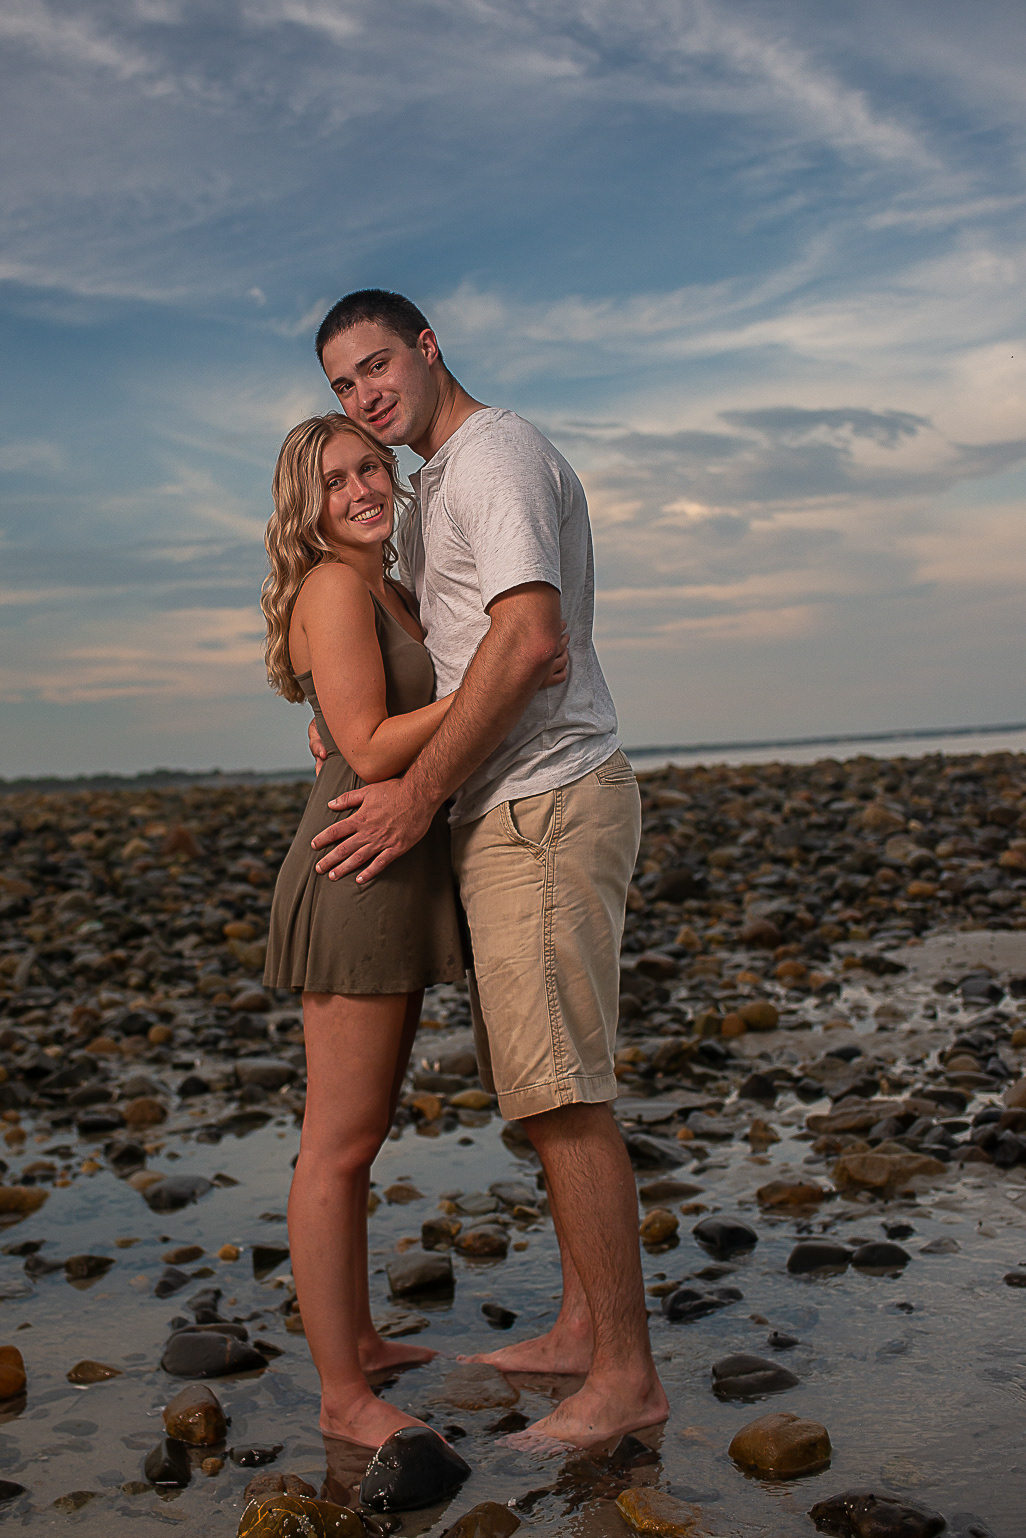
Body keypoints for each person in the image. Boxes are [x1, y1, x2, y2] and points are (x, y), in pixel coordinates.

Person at [307, 289, 669, 1448]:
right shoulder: (426, 494)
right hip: (505, 811)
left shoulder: (494, 452)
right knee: (540, 1083)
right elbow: (419, 639)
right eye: (343, 386)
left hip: (546, 801)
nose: (367, 395)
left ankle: (623, 1376)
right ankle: (579, 1327)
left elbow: (525, 638)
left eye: (377, 365)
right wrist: (342, 713)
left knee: (563, 1096)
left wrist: (413, 791)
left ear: (427, 346)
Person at [259, 410, 567, 1448]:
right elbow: (367, 740)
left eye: (369, 467)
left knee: (360, 1134)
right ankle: (343, 1397)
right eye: (334, 479)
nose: (360, 488)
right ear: (304, 506)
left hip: (389, 865)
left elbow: (345, 725)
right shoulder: (336, 584)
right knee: (336, 1147)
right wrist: (500, 674)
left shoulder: (384, 583)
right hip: (354, 870)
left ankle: (359, 1345)